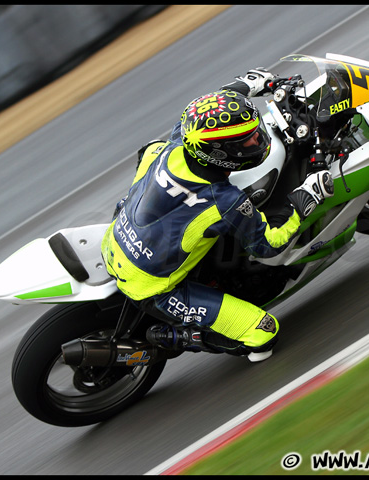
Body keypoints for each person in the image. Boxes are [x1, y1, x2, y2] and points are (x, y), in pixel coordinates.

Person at [100, 68, 333, 362]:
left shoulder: (179, 141)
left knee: (152, 151)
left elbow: (209, 113)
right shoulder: (224, 201)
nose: (256, 141)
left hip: (114, 242)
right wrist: (306, 199)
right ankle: (175, 336)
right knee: (264, 332)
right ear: (220, 154)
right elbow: (269, 245)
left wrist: (245, 87)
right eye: (245, 141)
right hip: (153, 288)